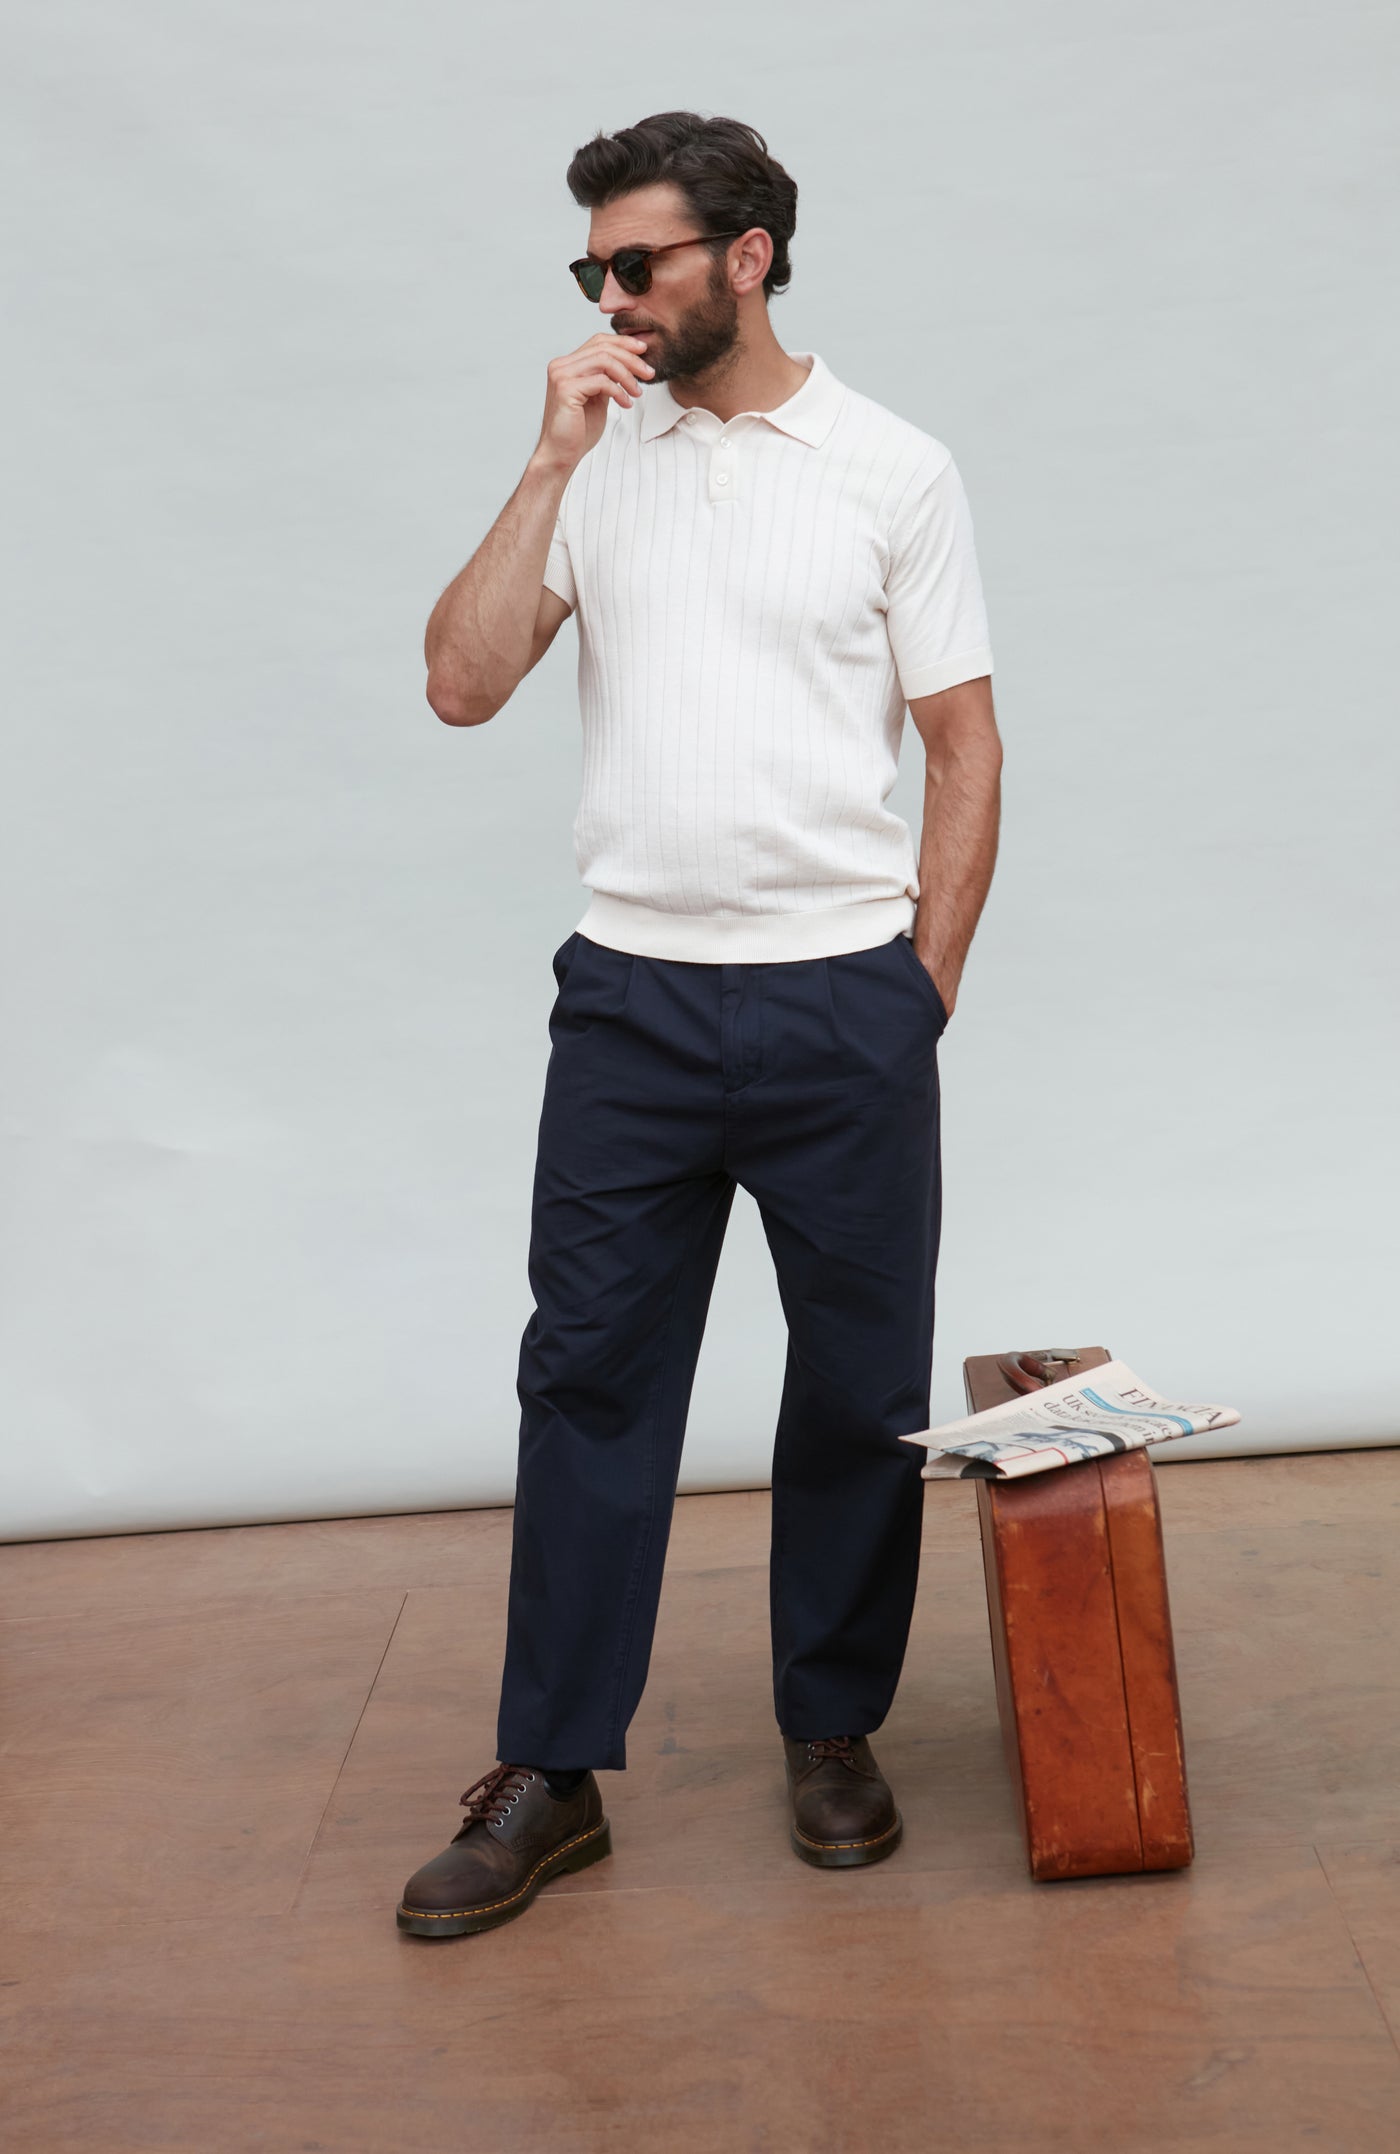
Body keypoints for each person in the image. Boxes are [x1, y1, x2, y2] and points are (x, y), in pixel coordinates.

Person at [398, 110, 1001, 1939]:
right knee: (587, 1376)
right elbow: (460, 685)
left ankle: (833, 1724)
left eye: (639, 261)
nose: (612, 297)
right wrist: (545, 460)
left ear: (747, 257)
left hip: (841, 1000)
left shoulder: (894, 467)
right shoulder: (597, 464)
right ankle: (551, 1771)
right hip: (632, 1001)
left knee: (857, 1390)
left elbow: (966, 745)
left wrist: (912, 999)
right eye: (594, 268)